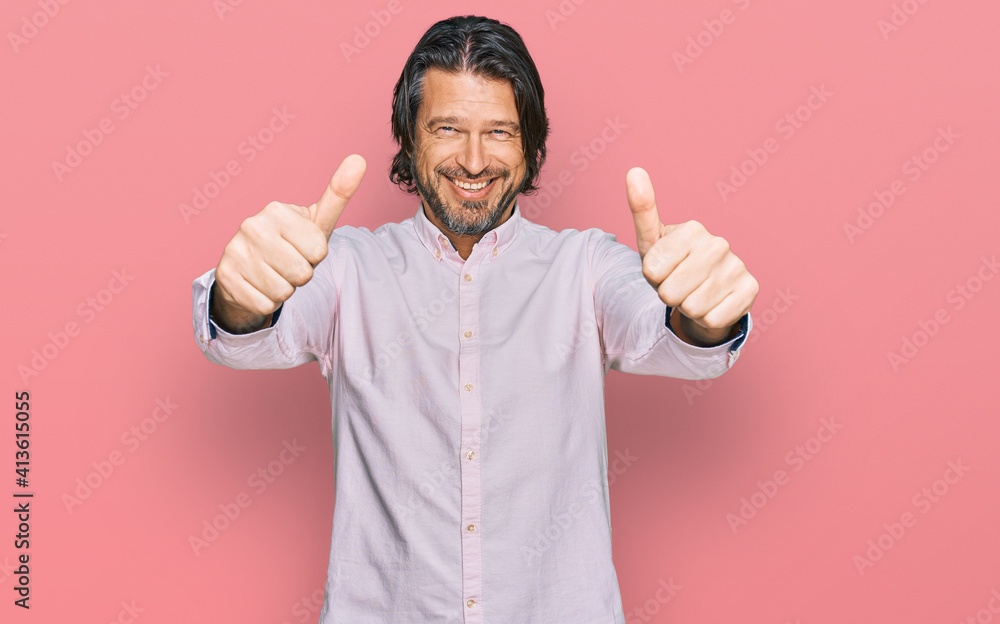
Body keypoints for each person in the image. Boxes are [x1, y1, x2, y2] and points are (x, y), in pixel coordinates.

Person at [191, 14, 758, 624]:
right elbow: (244, 337)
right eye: (447, 128)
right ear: (409, 138)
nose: (473, 159)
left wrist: (701, 313)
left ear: (530, 145)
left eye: (500, 132)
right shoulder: (345, 268)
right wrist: (245, 296)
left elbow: (673, 336)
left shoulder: (586, 267)